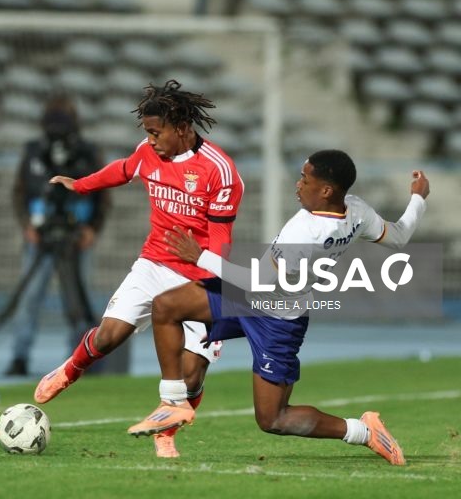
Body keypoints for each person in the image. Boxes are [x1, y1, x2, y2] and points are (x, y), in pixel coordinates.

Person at [128, 150, 429, 466]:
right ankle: (173, 401)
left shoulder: (306, 234)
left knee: (274, 419)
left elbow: (257, 283)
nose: (297, 185)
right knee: (166, 306)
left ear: (326, 190)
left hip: (277, 318)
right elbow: (398, 236)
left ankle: (361, 430)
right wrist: (418, 199)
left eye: (305, 179)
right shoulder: (355, 210)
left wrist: (199, 256)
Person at [34, 79, 244, 458]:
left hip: (200, 275)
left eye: (155, 132)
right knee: (107, 337)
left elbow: (220, 248)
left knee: (192, 374)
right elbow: (124, 169)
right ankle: (71, 369)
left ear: (181, 128)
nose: (150, 140)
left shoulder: (220, 172)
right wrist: (81, 186)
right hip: (154, 263)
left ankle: (167, 432)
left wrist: (199, 261)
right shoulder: (148, 154)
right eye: (146, 133)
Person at [6, 94, 110, 376]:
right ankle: (19, 355)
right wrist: (27, 224)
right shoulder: (33, 152)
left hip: (78, 235)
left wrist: (92, 228)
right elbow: (20, 191)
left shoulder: (89, 152)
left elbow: (102, 194)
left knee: (79, 297)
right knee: (30, 297)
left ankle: (81, 358)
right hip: (40, 236)